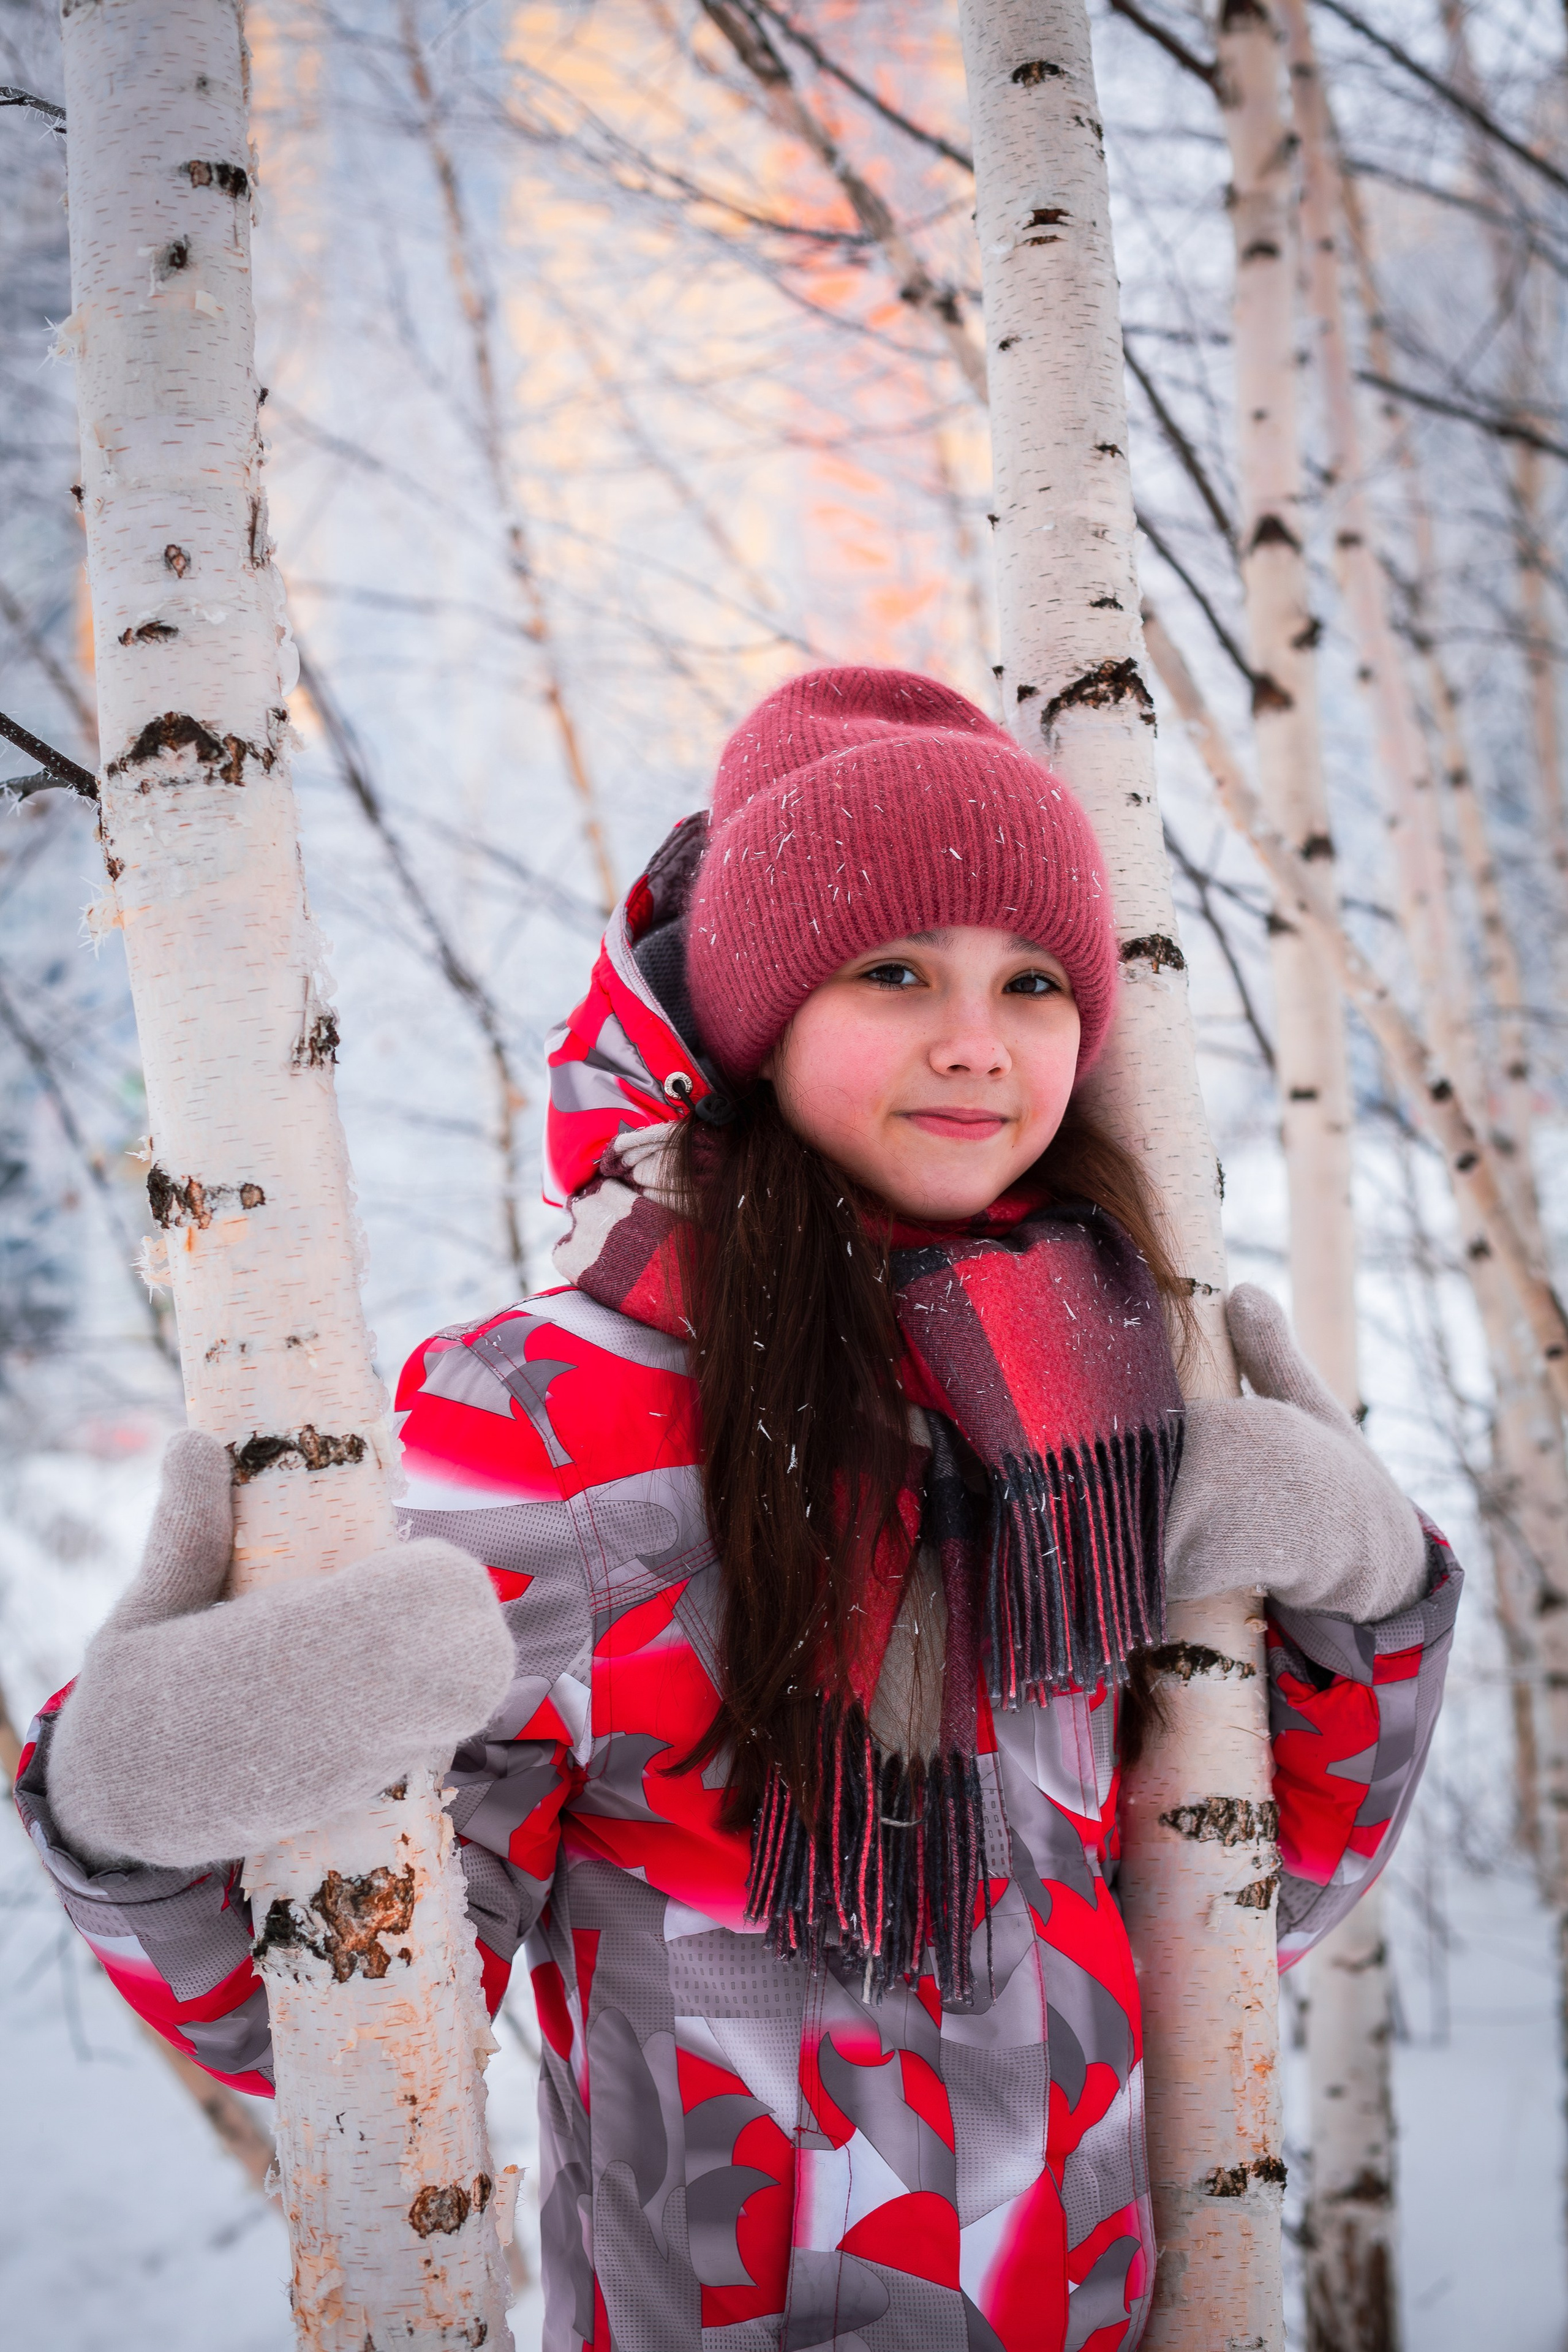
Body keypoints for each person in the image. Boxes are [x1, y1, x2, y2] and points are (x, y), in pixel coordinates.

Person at [18, 667, 1459, 2351]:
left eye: (1035, 979)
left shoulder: (1106, 1373)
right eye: (896, 970)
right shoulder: (548, 1419)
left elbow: (1249, 1896)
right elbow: (336, 2019)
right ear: (758, 1021)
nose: (980, 1041)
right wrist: (135, 1806)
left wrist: (1365, 1582)